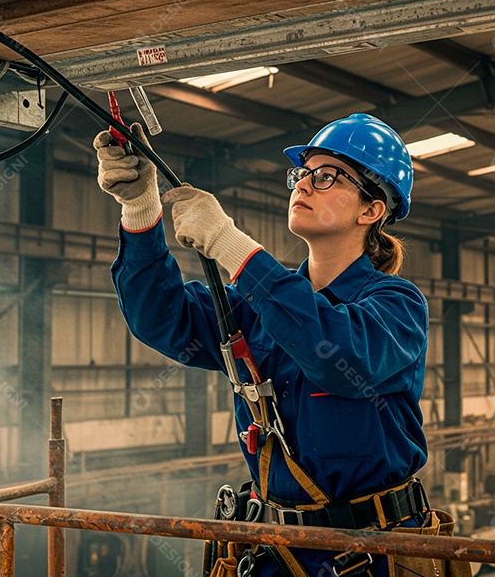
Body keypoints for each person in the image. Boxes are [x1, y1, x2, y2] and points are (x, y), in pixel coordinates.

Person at [96, 114, 432, 576]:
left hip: (371, 555)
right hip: (276, 550)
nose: (305, 186)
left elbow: (335, 353)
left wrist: (229, 244)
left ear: (371, 210)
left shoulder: (397, 306)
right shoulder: (253, 308)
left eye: (327, 175)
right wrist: (140, 208)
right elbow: (160, 316)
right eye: (302, 174)